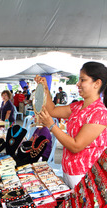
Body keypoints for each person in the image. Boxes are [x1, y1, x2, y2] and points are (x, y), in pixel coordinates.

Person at [35, 61, 107, 189]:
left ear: (97, 83)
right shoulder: (77, 106)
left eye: (82, 80)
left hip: (84, 175)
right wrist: (45, 89)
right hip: (69, 171)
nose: (77, 84)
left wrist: (52, 126)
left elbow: (76, 146)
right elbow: (53, 111)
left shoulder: (99, 113)